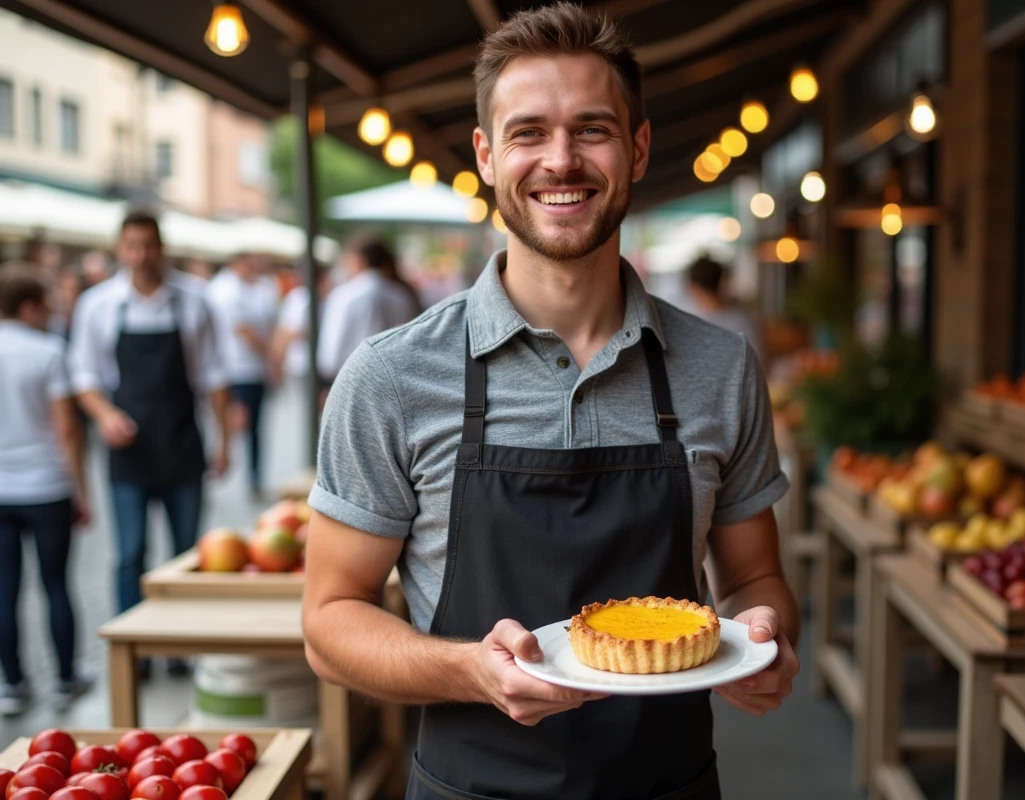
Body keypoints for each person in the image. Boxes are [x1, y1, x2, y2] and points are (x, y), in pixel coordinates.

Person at [301, 5, 799, 799]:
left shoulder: (719, 367)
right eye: (528, 132)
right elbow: (330, 622)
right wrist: (471, 671)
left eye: (592, 129)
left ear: (637, 149)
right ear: (487, 156)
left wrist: (768, 637)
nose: (560, 160)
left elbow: (755, 580)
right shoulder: (391, 376)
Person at [70, 211, 229, 674]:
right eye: (132, 247)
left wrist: (224, 442)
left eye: (148, 246)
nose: (140, 256)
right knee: (129, 555)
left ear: (162, 247)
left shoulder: (194, 303)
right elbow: (83, 376)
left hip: (182, 441)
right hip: (128, 449)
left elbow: (213, 375)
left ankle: (180, 648)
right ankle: (133, 652)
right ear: (120, 249)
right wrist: (104, 415)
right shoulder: (99, 305)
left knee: (185, 554)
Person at [0, 264, 93, 715]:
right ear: (30, 306)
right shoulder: (49, 351)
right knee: (56, 583)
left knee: (5, 588)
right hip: (46, 485)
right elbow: (68, 430)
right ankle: (64, 678)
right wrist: (81, 488)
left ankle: (12, 683)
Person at [207, 253, 278, 498]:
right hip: (238, 369)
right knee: (241, 425)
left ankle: (246, 475)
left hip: (245, 369)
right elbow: (244, 330)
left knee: (244, 427)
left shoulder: (247, 288)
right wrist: (272, 354)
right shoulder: (228, 290)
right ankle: (235, 472)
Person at [315, 234, 421, 384]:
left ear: (358, 261)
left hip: (351, 384)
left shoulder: (344, 296)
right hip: (395, 385)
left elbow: (329, 360)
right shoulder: (402, 296)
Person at [683, 255, 765, 361]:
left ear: (693, 286)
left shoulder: (685, 321)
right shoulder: (742, 321)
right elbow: (758, 362)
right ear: (722, 281)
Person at [271, 264, 331, 386]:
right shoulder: (298, 297)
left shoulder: (325, 298)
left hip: (317, 366)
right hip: (300, 366)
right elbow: (285, 333)